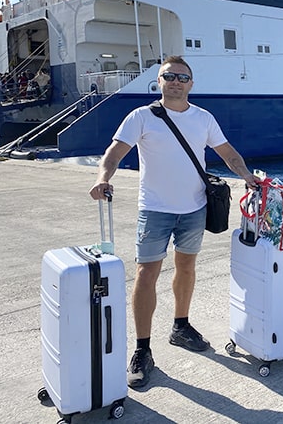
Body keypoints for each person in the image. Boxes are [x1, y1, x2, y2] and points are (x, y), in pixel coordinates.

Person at [88, 55, 259, 390]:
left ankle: (180, 326)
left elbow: (228, 153)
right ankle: (143, 349)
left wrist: (247, 175)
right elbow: (114, 152)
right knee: (146, 273)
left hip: (194, 208)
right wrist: (102, 177)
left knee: (186, 267)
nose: (177, 82)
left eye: (183, 77)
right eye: (170, 76)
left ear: (191, 83)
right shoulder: (141, 117)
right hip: (154, 209)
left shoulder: (203, 118)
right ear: (159, 82)